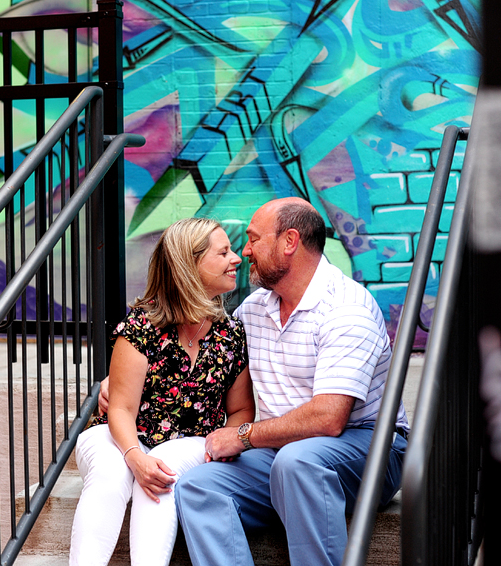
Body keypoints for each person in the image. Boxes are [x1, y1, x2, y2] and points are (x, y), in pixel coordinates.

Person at [175, 197, 409, 566]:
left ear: (289, 242)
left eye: (253, 239)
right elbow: (197, 352)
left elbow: (328, 419)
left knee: (298, 462)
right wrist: (125, 379)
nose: (245, 251)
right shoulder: (254, 309)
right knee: (198, 487)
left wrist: (242, 435)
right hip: (281, 451)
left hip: (368, 448)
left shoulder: (347, 309)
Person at [68, 218, 255, 566]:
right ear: (190, 264)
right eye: (224, 252)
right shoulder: (142, 325)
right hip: (119, 435)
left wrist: (224, 441)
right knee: (112, 473)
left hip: (193, 442)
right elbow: (120, 409)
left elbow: (242, 410)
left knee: (163, 472)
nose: (237, 259)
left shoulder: (231, 334)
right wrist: (135, 457)